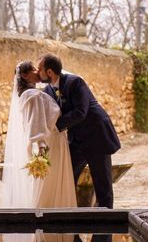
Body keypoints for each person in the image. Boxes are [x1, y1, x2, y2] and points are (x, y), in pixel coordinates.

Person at [38, 53, 121, 209]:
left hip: (96, 135)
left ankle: (105, 224)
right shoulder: (48, 90)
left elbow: (80, 112)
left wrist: (55, 127)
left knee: (102, 185)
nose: (37, 72)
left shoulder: (75, 82)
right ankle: (71, 223)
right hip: (76, 141)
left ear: (49, 72)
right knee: (67, 178)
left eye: (39, 69)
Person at [1, 61, 77, 208]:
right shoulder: (32, 95)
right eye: (33, 69)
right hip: (50, 143)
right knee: (51, 185)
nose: (37, 71)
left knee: (53, 183)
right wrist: (42, 149)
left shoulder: (32, 93)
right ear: (24, 75)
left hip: (54, 139)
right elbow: (35, 124)